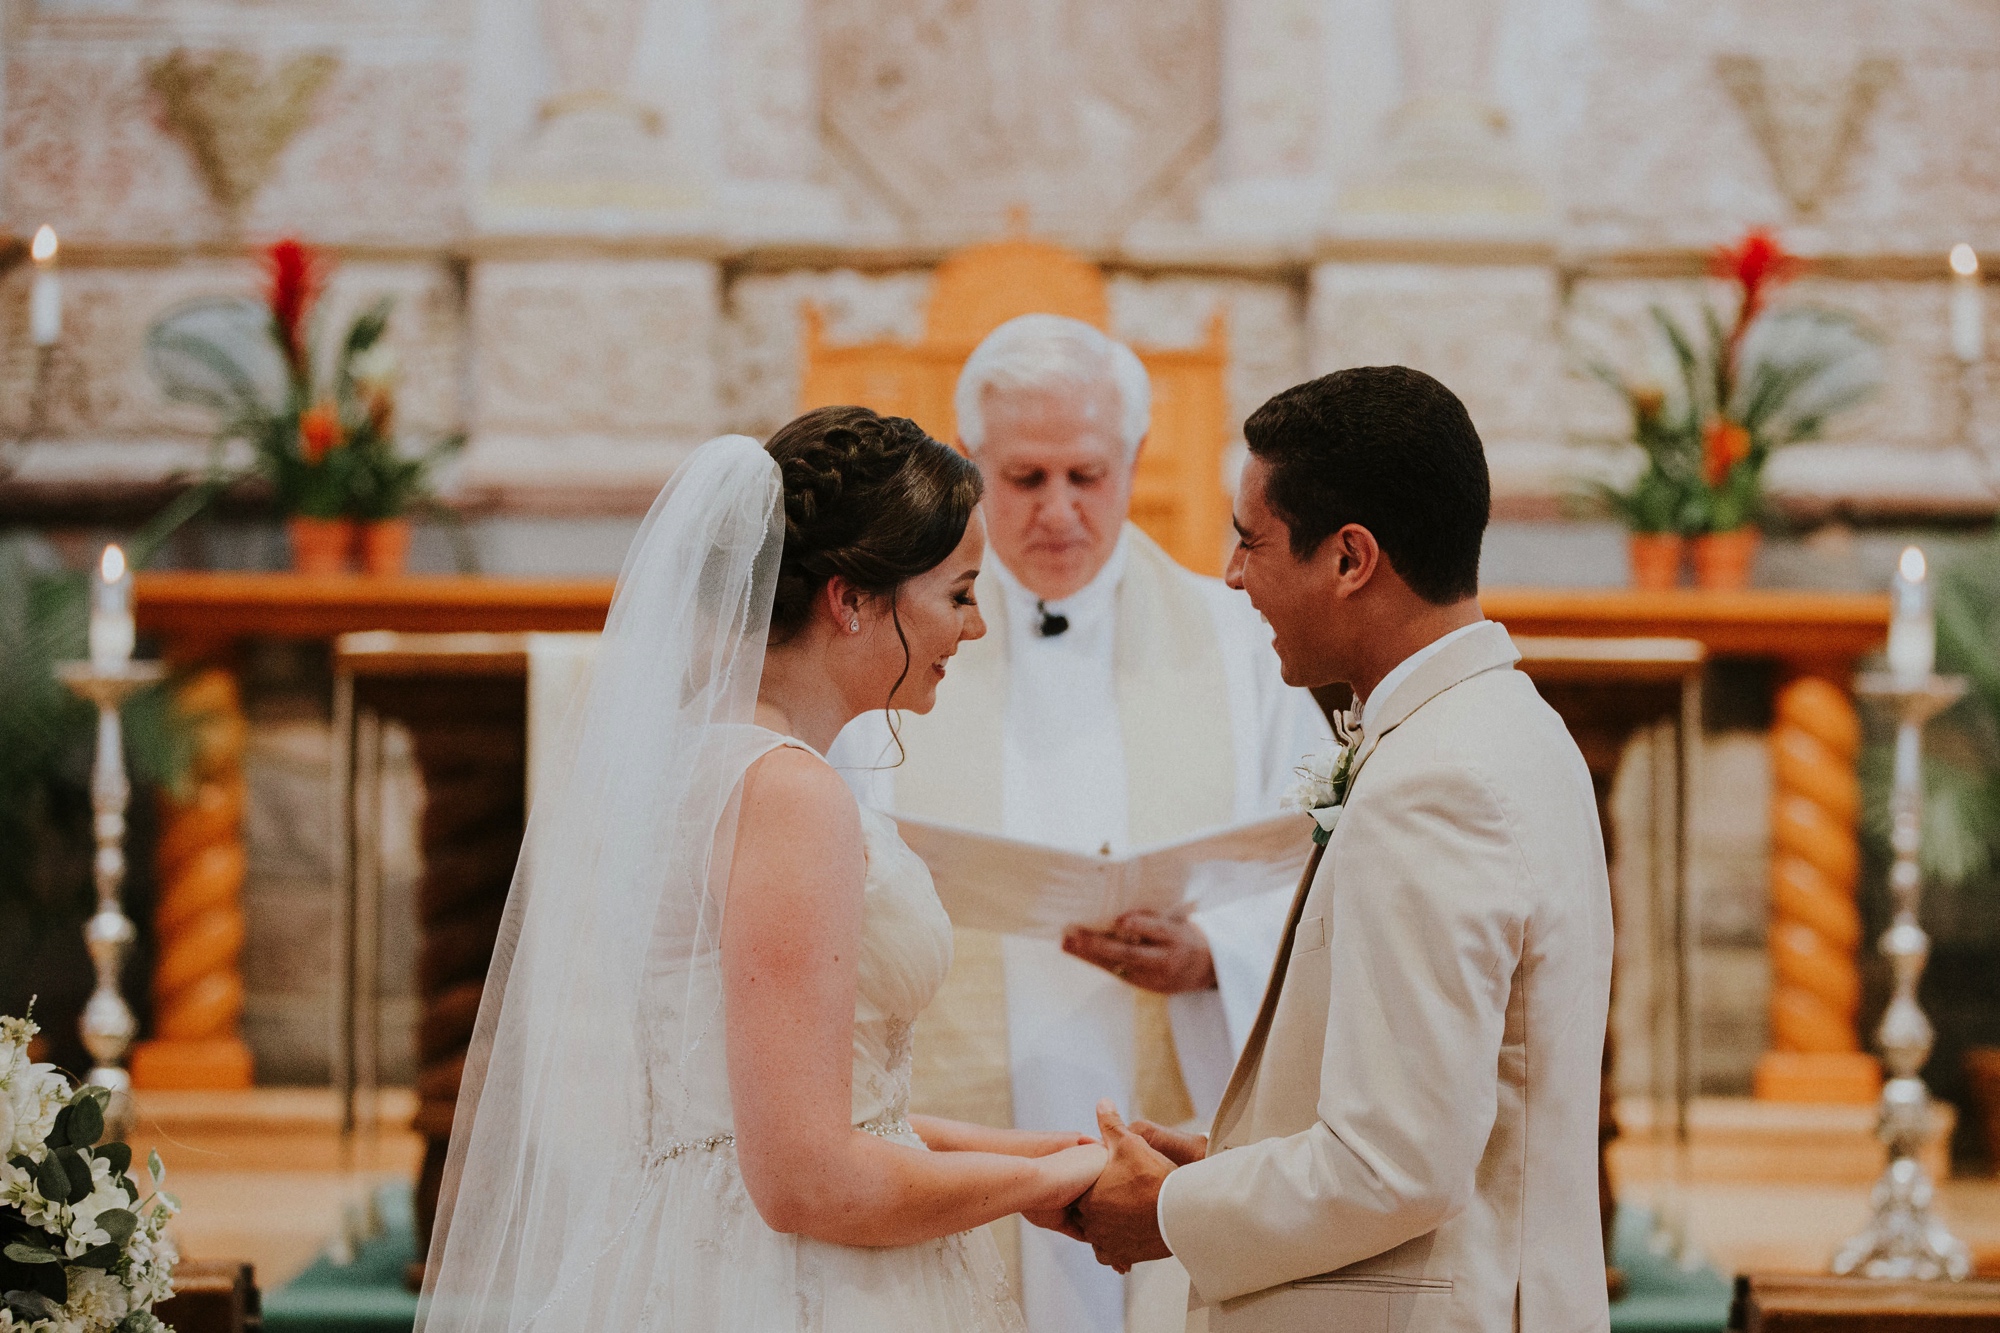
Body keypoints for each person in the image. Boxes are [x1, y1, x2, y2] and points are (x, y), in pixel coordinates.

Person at [417, 407, 1107, 1333]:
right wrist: (1044, 1180)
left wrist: (1045, 1155)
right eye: (960, 592)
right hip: (792, 1285)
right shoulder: (788, 792)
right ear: (852, 599)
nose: (978, 627)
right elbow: (808, 1177)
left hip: (706, 1246)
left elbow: (821, 1108)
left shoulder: (711, 762)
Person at [1070, 367, 1615, 1333]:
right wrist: (1221, 1159)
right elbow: (1442, 1108)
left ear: (1351, 557)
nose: (1233, 574)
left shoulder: (1439, 784)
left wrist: (1165, 1211)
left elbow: (1397, 1163)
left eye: (1251, 539)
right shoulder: (1499, 728)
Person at [830, 314, 1328, 1333]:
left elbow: (1308, 861)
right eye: (1023, 479)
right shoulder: (901, 641)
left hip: (1170, 1076)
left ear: (1136, 459)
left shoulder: (1236, 642)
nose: (1057, 511)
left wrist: (1213, 953)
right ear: (971, 464)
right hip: (963, 1095)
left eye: (1085, 476)